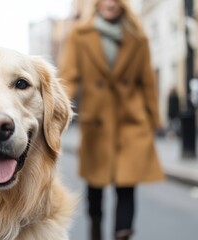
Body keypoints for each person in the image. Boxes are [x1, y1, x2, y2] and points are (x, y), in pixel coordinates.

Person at [59, 0, 164, 240]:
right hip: (97, 121)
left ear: (123, 5)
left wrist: (154, 119)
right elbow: (70, 77)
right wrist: (58, 113)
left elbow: (147, 81)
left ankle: (122, 235)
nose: (110, 3)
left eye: (116, 0)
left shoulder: (137, 37)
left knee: (127, 185)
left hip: (131, 121)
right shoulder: (80, 34)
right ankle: (95, 230)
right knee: (95, 187)